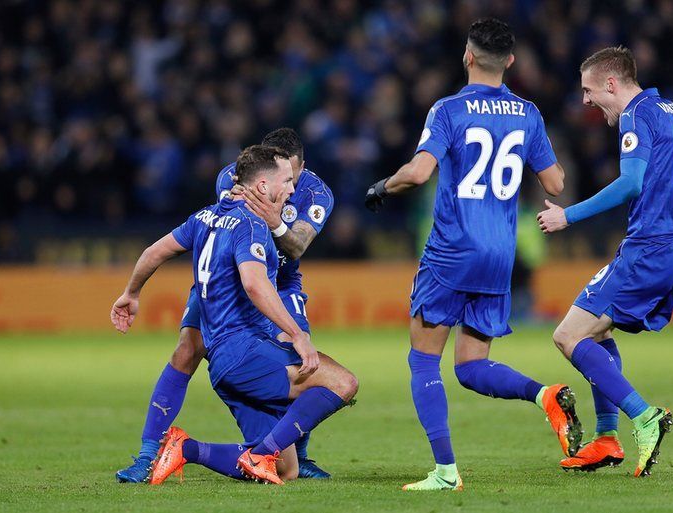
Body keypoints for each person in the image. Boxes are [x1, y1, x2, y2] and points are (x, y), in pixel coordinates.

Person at [365, 18, 576, 491]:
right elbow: (557, 183)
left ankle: (445, 472)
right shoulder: (528, 113)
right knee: (470, 366)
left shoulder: (447, 109)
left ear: (467, 56)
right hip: (500, 255)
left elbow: (419, 173)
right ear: (512, 62)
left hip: (452, 250)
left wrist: (382, 186)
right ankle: (546, 395)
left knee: (423, 360)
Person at [110, 145, 357, 485]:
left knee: (286, 470)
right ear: (261, 186)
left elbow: (154, 251)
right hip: (242, 350)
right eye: (286, 182)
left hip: (224, 362)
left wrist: (131, 293)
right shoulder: (251, 226)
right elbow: (255, 285)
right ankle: (247, 451)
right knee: (342, 382)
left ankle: (188, 449)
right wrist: (298, 335)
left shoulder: (204, 215)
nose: (292, 190)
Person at [537, 46, 673, 477]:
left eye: (588, 90)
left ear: (610, 83)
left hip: (650, 248)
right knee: (597, 332)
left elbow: (630, 183)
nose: (585, 101)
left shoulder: (634, 115)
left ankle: (644, 417)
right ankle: (606, 440)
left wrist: (567, 215)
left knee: (568, 335)